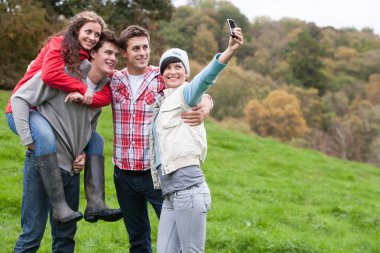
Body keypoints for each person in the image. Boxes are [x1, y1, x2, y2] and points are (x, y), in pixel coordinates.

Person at [88, 25, 213, 252]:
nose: (143, 52)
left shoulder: (161, 77)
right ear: (124, 53)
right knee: (137, 239)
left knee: (176, 237)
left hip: (155, 174)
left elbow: (195, 90)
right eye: (136, 48)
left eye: (146, 47)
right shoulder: (114, 80)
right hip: (123, 174)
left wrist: (205, 106)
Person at [5, 11, 121, 225]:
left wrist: (89, 94)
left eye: (97, 34)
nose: (92, 37)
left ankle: (96, 203)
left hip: (40, 108)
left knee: (96, 140)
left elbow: (98, 101)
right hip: (24, 106)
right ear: (76, 30)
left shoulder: (86, 58)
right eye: (88, 32)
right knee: (46, 138)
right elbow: (48, 75)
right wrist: (81, 88)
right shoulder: (59, 45)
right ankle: (59, 206)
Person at [151, 27, 244, 252]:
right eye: (167, 68)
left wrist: (228, 51)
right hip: (170, 192)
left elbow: (206, 79)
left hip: (188, 188)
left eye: (178, 67)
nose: (172, 72)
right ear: (161, 74)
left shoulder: (187, 95)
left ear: (186, 73)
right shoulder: (161, 102)